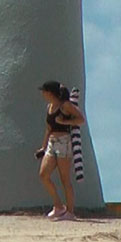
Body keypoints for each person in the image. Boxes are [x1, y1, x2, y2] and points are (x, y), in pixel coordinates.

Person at [36, 80, 86, 221]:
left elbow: (80, 119)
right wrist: (43, 146)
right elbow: (48, 128)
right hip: (52, 143)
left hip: (64, 143)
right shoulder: (49, 107)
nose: (43, 94)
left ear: (50, 93)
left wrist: (65, 122)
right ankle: (58, 206)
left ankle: (70, 212)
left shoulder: (65, 105)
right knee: (43, 175)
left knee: (65, 179)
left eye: (44, 91)